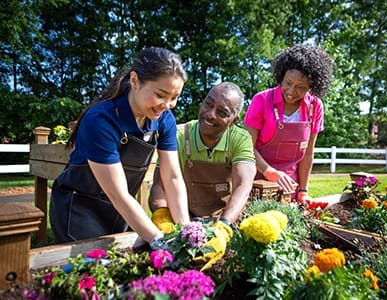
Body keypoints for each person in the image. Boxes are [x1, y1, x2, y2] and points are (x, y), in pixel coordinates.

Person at [49, 47, 190, 247]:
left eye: (174, 97)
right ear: (135, 81)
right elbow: (118, 194)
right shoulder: (100, 120)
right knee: (94, 269)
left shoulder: (164, 119)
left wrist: (186, 232)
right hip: (79, 208)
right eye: (160, 95)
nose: (167, 104)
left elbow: (173, 178)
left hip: (121, 209)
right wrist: (160, 241)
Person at [149, 82, 256, 269]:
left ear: (234, 119)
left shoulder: (240, 138)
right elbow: (160, 185)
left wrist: (224, 227)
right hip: (182, 220)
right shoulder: (180, 135)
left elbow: (243, 184)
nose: (211, 114)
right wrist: (163, 216)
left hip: (222, 218)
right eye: (208, 104)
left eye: (222, 112)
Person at [243, 44, 334, 203]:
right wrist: (268, 171)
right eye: (288, 83)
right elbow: (246, 147)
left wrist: (303, 191)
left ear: (312, 86)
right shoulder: (262, 100)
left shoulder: (315, 106)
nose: (291, 91)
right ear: (281, 77)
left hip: (289, 185)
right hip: (255, 179)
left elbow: (307, 153)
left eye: (300, 87)